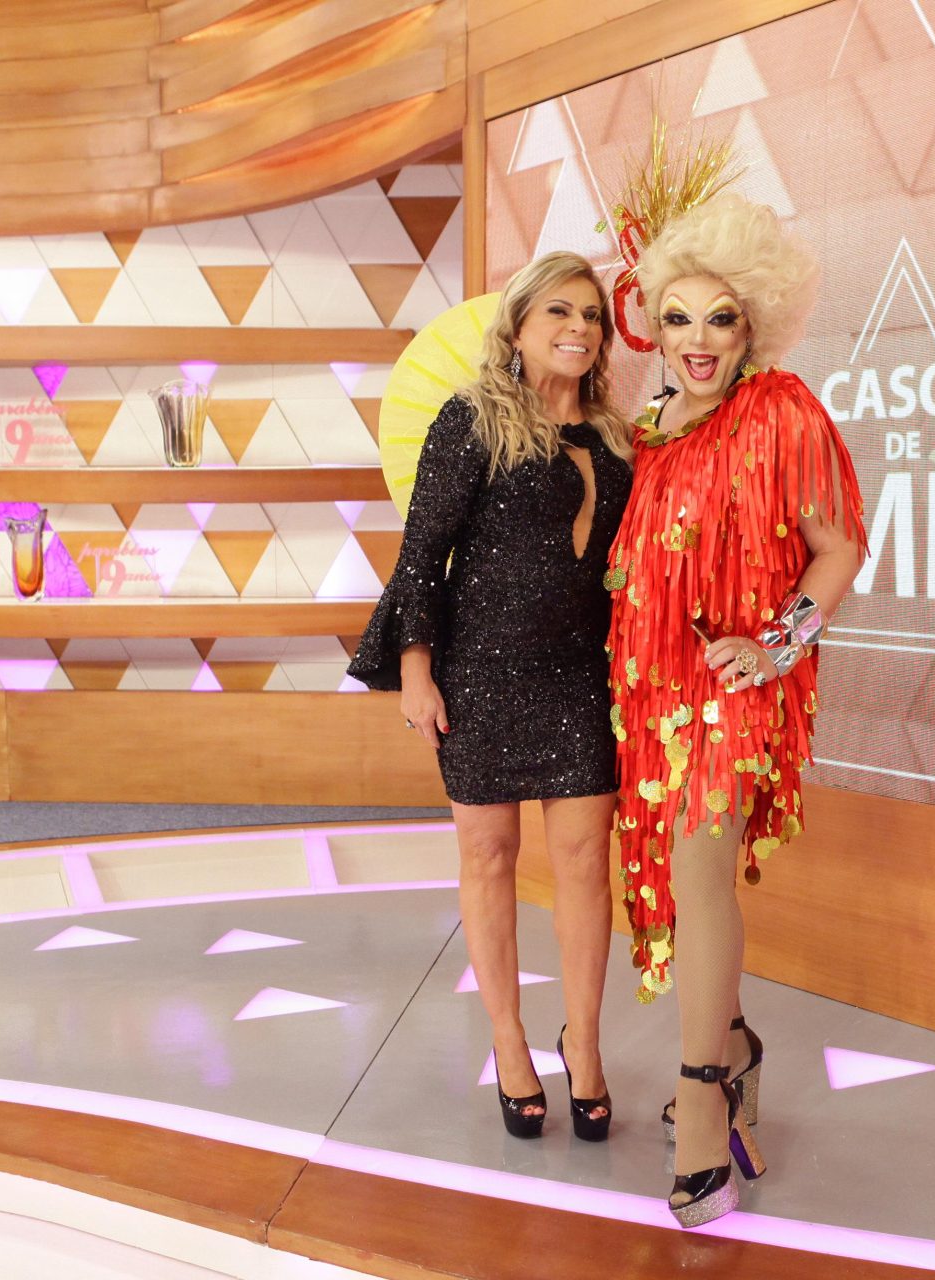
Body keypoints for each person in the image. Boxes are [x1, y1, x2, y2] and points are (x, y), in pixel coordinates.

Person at [603, 192, 868, 1225]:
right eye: (678, 317)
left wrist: (776, 645)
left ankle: (703, 1099)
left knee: (700, 874)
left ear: (754, 322)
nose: (699, 339)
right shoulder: (646, 433)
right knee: (677, 885)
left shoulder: (784, 410)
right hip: (651, 690)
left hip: (735, 688)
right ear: (654, 327)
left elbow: (838, 548)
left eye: (721, 317)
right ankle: (739, 1042)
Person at [348, 251, 633, 1142]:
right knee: (489, 855)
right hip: (480, 671)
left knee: (584, 862)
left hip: (580, 673)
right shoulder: (472, 418)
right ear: (517, 327)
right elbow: (422, 552)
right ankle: (509, 1042)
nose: (579, 328)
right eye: (559, 311)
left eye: (591, 314)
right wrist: (416, 670)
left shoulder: (618, 438)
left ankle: (583, 1042)